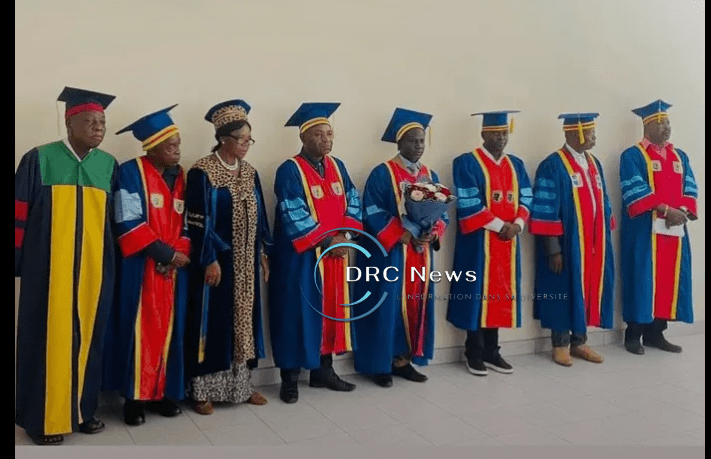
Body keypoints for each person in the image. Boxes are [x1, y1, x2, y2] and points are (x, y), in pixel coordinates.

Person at [15, 87, 117, 445]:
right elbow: (18, 213)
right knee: (45, 340)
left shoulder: (108, 165)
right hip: (47, 271)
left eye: (102, 122)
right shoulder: (39, 159)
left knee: (89, 337)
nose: (98, 127)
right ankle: (40, 419)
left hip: (93, 270)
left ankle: (82, 410)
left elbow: (115, 222)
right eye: (89, 121)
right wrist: (19, 263)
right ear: (68, 122)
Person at [103, 105, 191, 426]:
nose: (177, 150)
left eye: (178, 144)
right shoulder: (131, 172)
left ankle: (165, 393)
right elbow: (126, 219)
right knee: (138, 330)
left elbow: (187, 222)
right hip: (140, 269)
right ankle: (134, 399)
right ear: (151, 147)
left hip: (173, 272)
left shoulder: (181, 176)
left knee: (172, 330)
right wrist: (164, 255)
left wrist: (179, 253)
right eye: (170, 146)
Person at [269, 102, 362, 403]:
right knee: (296, 315)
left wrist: (345, 237)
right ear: (303, 137)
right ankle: (290, 379)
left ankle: (324, 371)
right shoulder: (289, 170)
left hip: (334, 257)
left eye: (329, 133)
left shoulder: (338, 166)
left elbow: (353, 201)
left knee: (330, 311)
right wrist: (328, 241)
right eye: (319, 134)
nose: (326, 139)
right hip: (301, 259)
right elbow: (292, 212)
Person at [184, 99, 272, 415]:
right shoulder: (202, 172)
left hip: (247, 263)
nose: (246, 144)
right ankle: (203, 392)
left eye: (250, 139)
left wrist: (263, 253)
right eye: (241, 139)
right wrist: (209, 259)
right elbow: (197, 222)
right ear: (223, 138)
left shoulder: (250, 172)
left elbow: (261, 217)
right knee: (214, 322)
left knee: (244, 323)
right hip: (218, 263)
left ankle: (240, 387)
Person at [353, 107, 449, 388]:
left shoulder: (429, 173)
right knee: (386, 308)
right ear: (400, 143)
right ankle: (379, 364)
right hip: (390, 255)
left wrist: (432, 233)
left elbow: (441, 213)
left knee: (415, 305)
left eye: (421, 141)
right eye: (412, 141)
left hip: (419, 255)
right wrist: (403, 235)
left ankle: (403, 360)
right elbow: (371, 212)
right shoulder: (382, 173)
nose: (418, 146)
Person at [447, 111, 532, 376]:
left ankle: (492, 352)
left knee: (499, 296)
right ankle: (473, 352)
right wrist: (501, 226)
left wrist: (518, 224)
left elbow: (527, 197)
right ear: (483, 134)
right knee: (476, 296)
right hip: (478, 244)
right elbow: (469, 203)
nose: (501, 138)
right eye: (495, 134)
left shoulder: (516, 165)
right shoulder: (467, 163)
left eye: (504, 133)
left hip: (508, 244)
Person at [528, 113, 615, 367]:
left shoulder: (594, 163)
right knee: (562, 291)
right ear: (574, 133)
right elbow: (545, 209)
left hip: (593, 244)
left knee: (586, 290)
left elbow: (603, 200)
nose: (594, 137)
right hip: (566, 245)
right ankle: (560, 344)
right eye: (590, 132)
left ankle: (579, 342)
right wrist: (553, 249)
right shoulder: (553, 165)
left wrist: (604, 233)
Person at [619, 100, 698, 355]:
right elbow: (635, 191)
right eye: (661, 123)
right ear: (648, 125)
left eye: (668, 123)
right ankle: (633, 334)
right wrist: (666, 210)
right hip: (644, 231)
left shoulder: (679, 156)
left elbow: (690, 187)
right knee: (642, 277)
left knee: (667, 280)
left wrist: (682, 211)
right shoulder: (632, 156)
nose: (667, 127)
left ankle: (656, 333)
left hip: (673, 232)